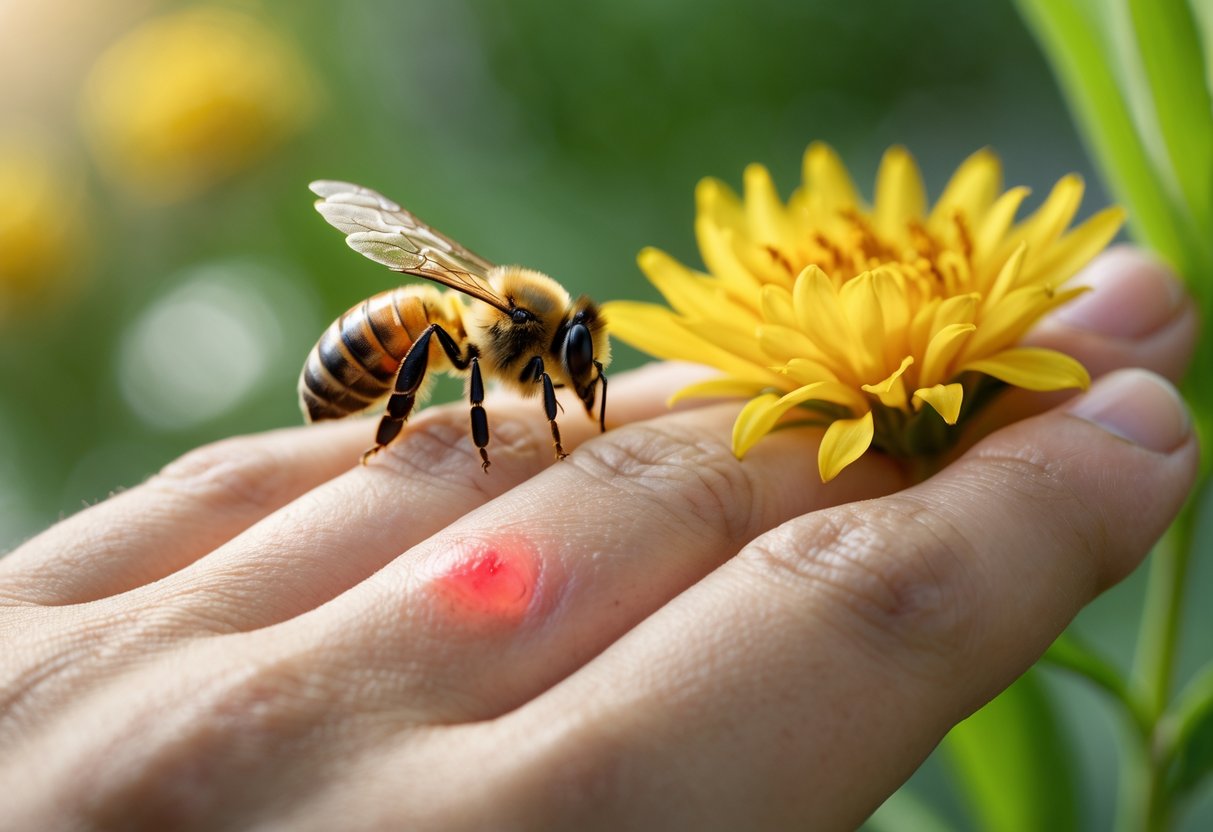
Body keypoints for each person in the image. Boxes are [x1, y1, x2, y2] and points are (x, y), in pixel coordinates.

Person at [0, 247, 1197, 830]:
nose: (583, 384)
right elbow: (464, 351)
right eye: (575, 372)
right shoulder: (496, 329)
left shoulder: (533, 331)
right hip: (398, 365)